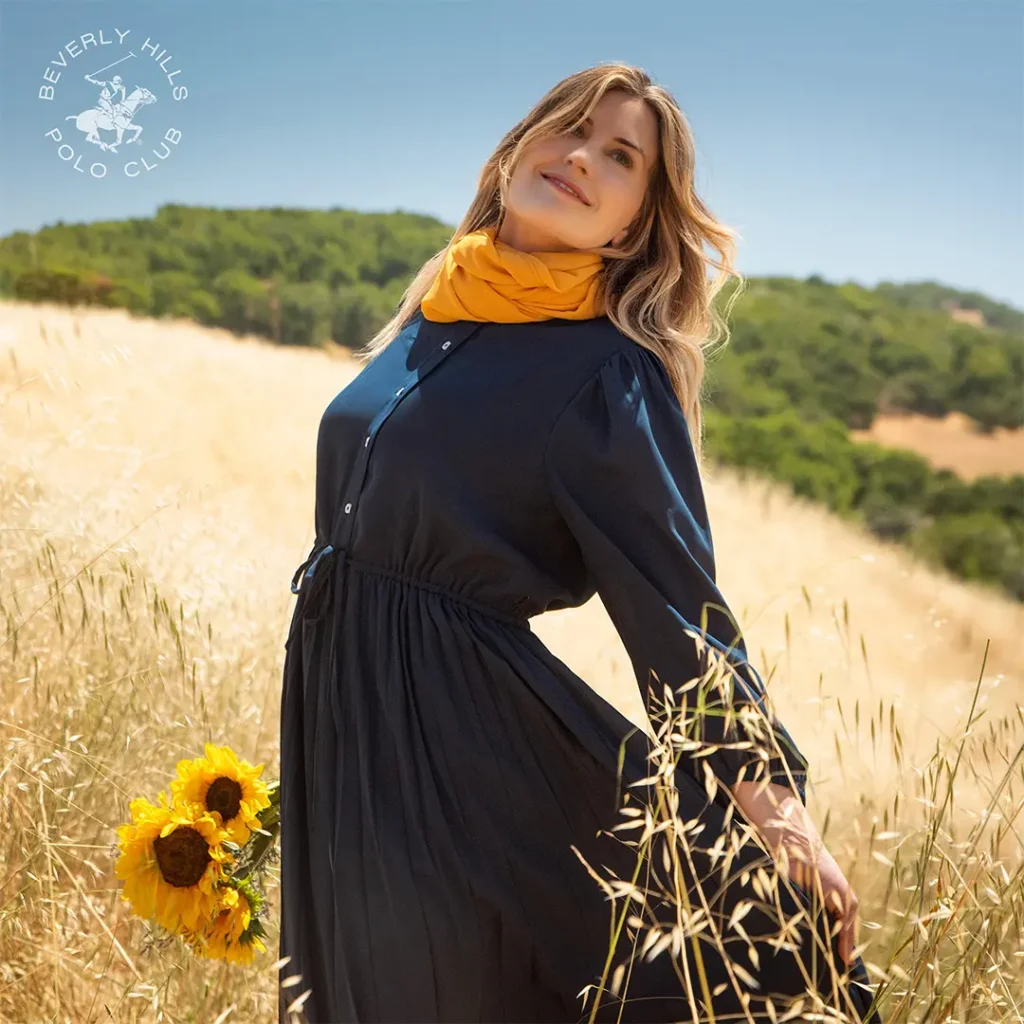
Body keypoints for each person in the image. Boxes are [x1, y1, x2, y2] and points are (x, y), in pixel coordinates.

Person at [278, 62, 884, 1023]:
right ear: (520, 145)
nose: (579, 158)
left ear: (634, 225)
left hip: (465, 746)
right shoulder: (438, 306)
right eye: (567, 129)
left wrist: (776, 814)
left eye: (619, 156)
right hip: (349, 713)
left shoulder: (607, 374)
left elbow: (677, 611)